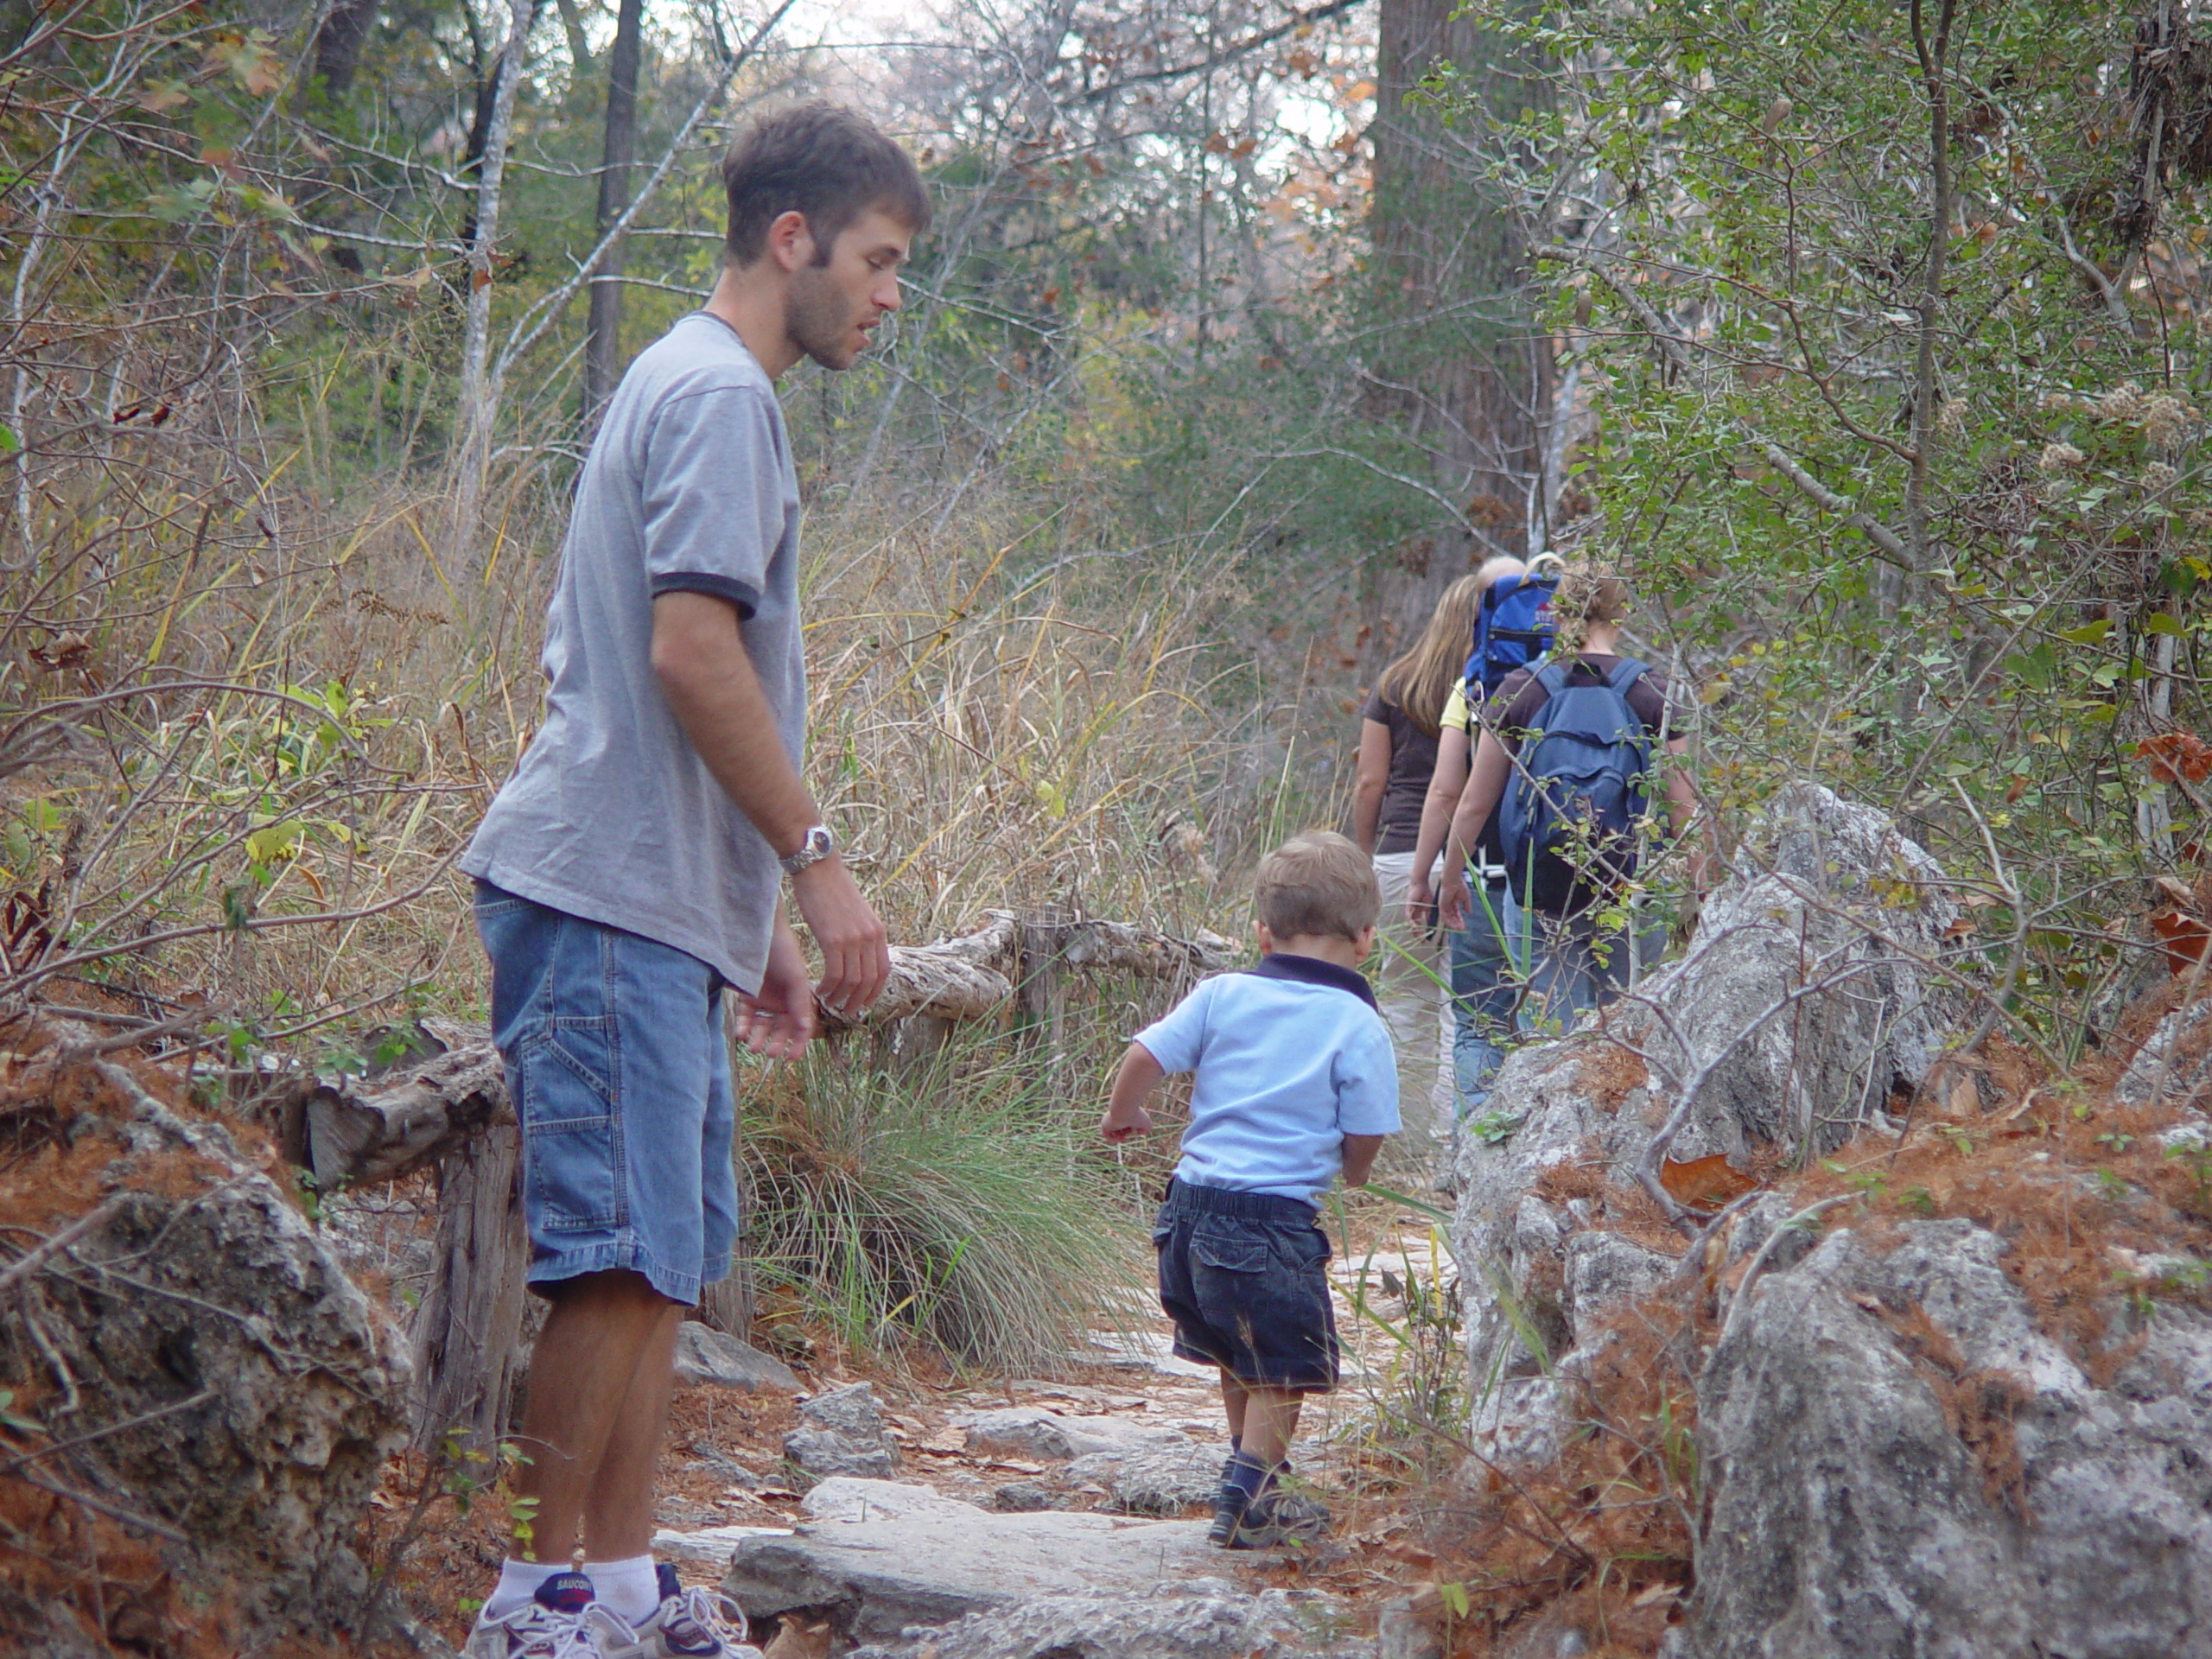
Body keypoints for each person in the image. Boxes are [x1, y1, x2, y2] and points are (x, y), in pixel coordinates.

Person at [455, 102, 918, 1659]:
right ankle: (535, 1608)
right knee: (611, 1266)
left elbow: (691, 679)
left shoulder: (695, 382)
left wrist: (754, 916)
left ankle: (628, 1587)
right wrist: (820, 864)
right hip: (598, 896)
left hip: (659, 901)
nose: (887, 293)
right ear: (791, 241)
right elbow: (686, 649)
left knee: (655, 1268)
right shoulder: (720, 395)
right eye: (877, 259)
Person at [1099, 830, 1399, 1549]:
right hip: (1270, 1221)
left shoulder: (1222, 992)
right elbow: (1368, 1126)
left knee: (1240, 1354)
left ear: (1262, 931)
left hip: (1188, 1212)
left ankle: (1256, 1468)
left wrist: (1123, 1115)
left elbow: (1143, 1054)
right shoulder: (1359, 1022)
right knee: (1282, 1365)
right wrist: (1354, 1172)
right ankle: (1252, 1488)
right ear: (1365, 938)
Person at [1437, 563, 1698, 1029]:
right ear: (1622, 614)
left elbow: (1476, 800)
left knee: (1550, 1043)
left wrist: (1453, 876)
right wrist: (1701, 892)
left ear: (1556, 612)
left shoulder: (1524, 688)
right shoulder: (1651, 691)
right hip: (1629, 887)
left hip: (1542, 887)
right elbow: (1684, 807)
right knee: (1625, 1037)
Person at [1351, 570, 1491, 1151]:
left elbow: (1368, 780)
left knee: (1405, 1001)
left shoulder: (1394, 684)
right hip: (1472, 862)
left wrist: (1362, 856)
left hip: (1397, 855)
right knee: (1465, 1008)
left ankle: (1404, 1147)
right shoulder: (1501, 686)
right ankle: (1453, 1142)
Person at [1403, 556, 1530, 1133]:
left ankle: (1471, 1160)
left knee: (1480, 1023)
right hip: (1574, 880)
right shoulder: (1591, 675)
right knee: (1557, 1026)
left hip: (1487, 874)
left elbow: (1448, 792)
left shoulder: (1475, 683)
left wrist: (1428, 873)